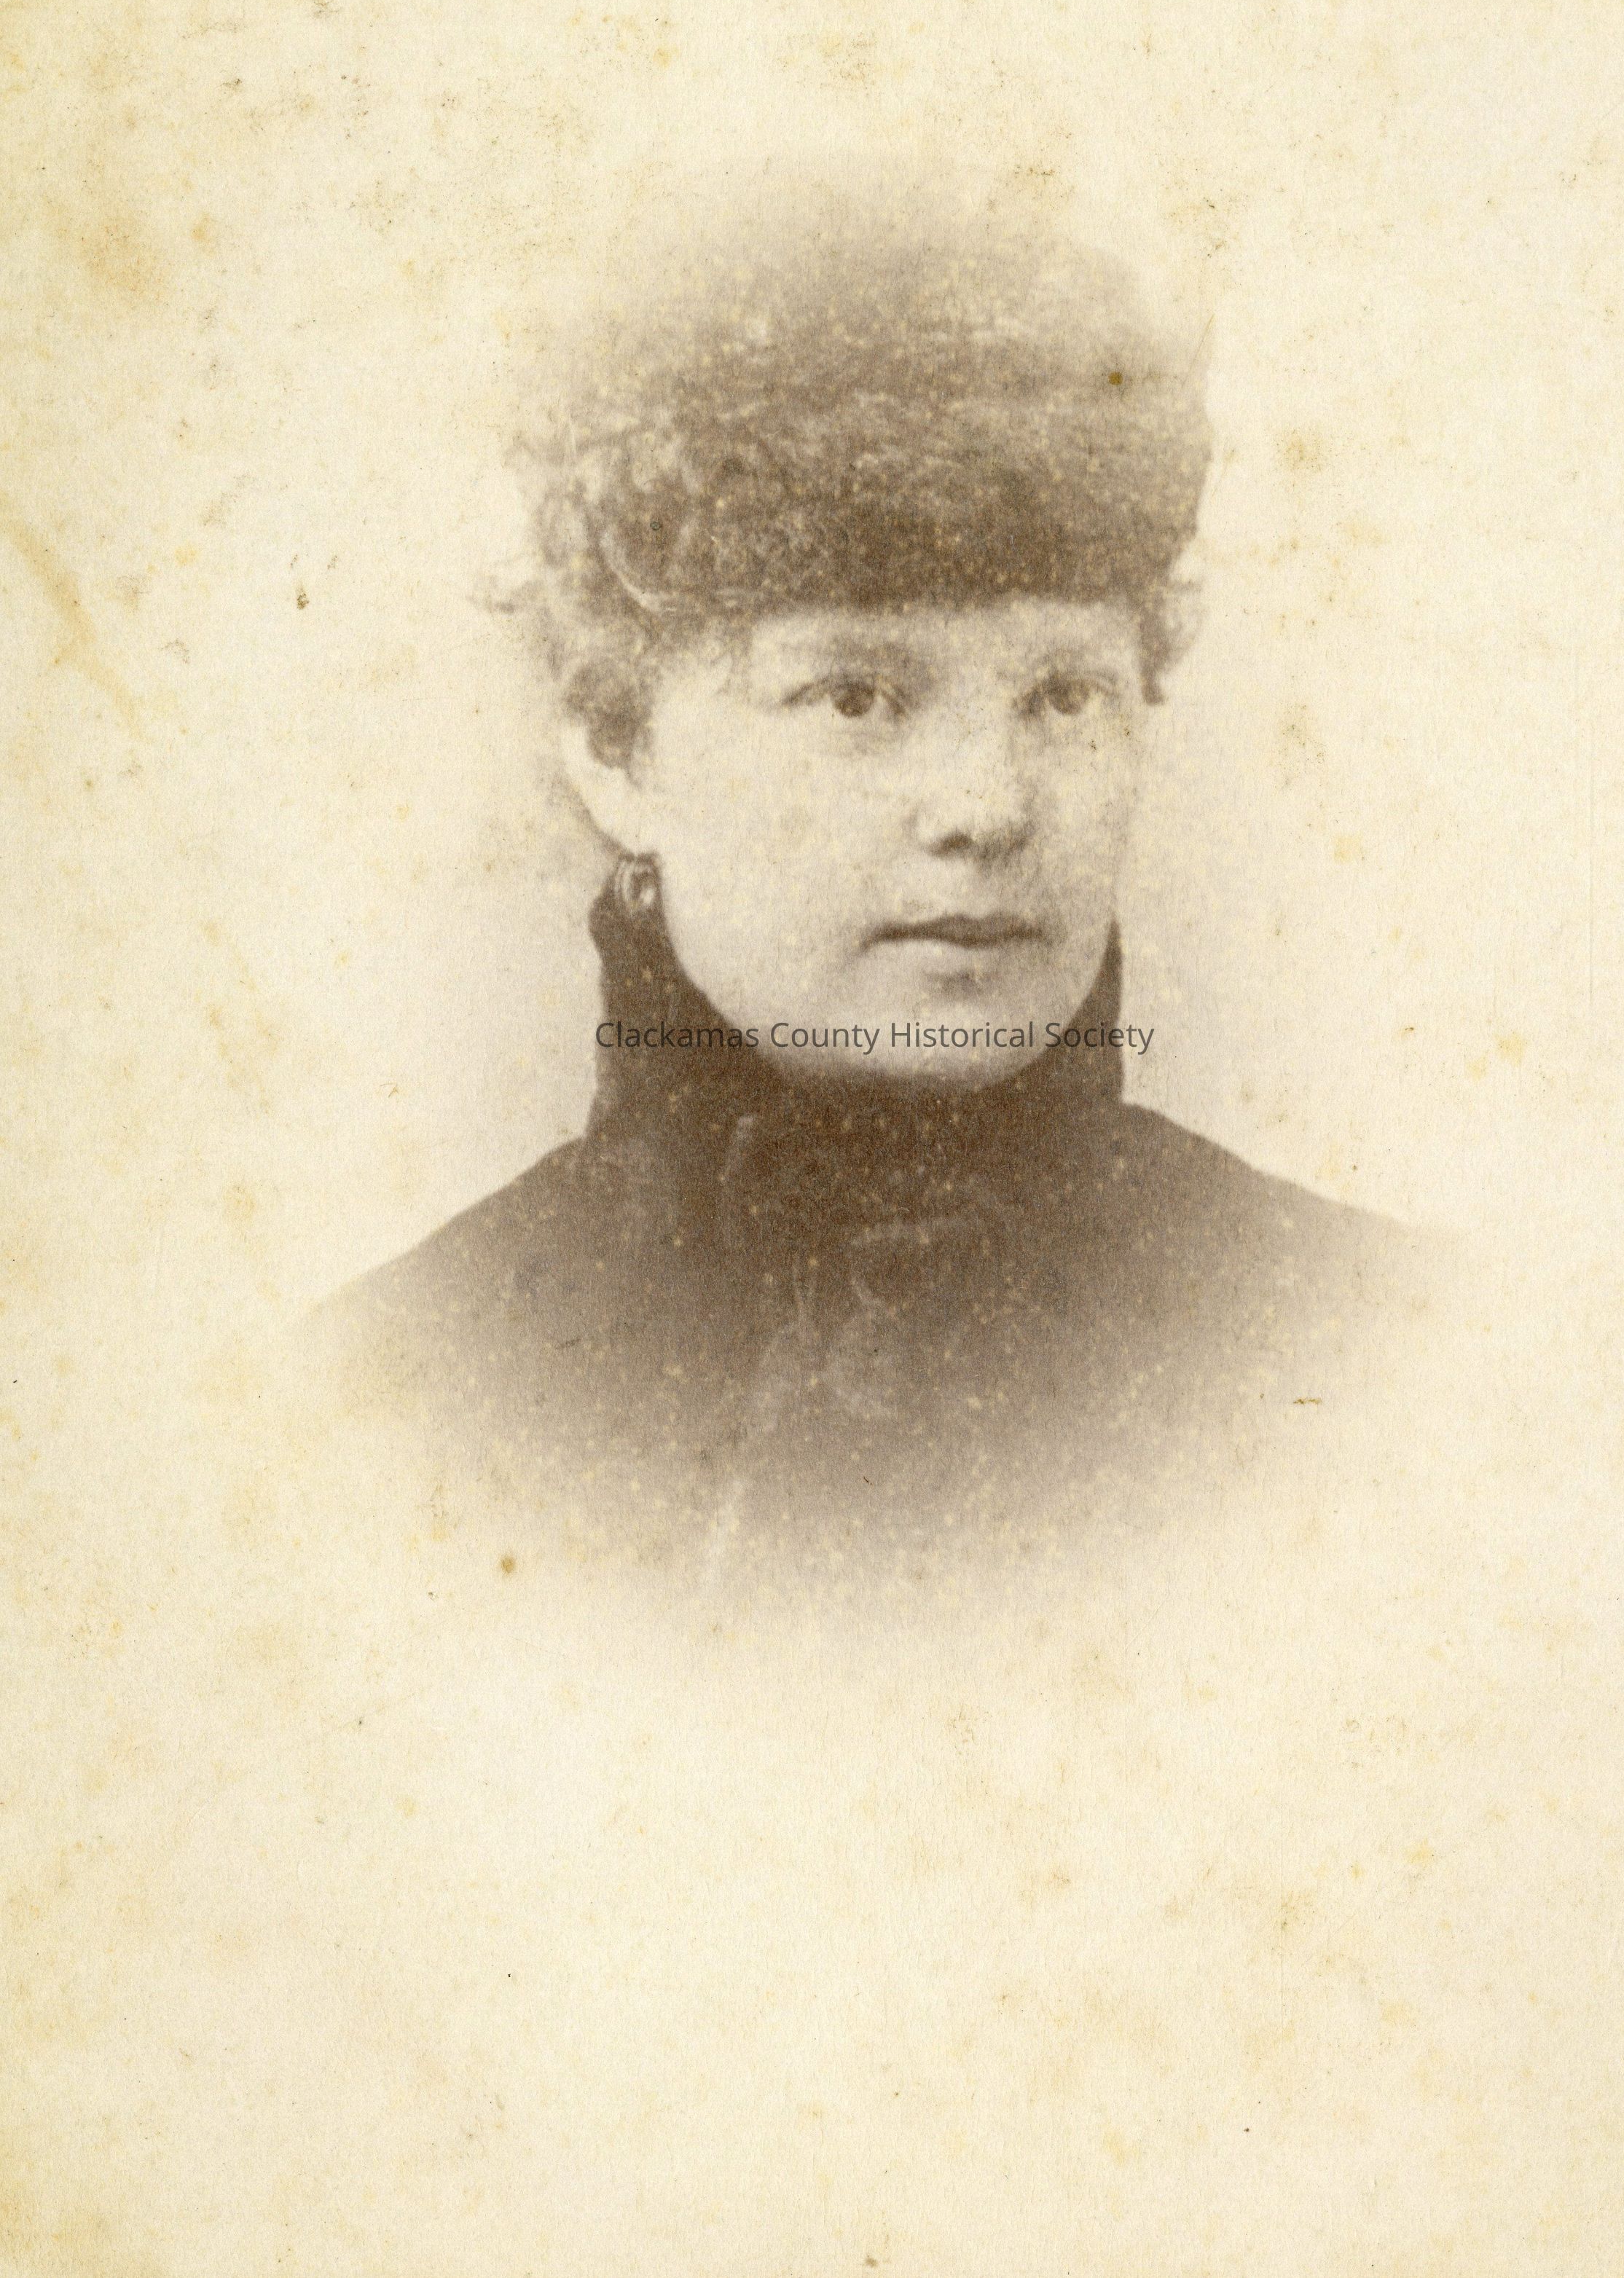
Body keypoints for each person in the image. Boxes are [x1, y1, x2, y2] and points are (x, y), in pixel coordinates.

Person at [313, 189, 1436, 1574]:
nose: (988, 809)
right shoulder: (372, 1413)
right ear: (615, 746)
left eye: (1065, 695)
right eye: (856, 698)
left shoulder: (1394, 1366)